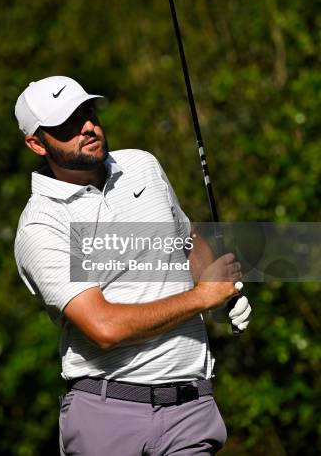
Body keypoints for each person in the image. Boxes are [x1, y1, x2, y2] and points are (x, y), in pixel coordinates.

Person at [14, 75, 252, 456]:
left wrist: (221, 292)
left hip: (191, 408)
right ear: (36, 143)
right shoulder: (41, 226)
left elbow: (186, 240)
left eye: (87, 113)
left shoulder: (142, 166)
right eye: (67, 125)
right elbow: (104, 327)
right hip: (107, 414)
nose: (87, 128)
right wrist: (202, 298)